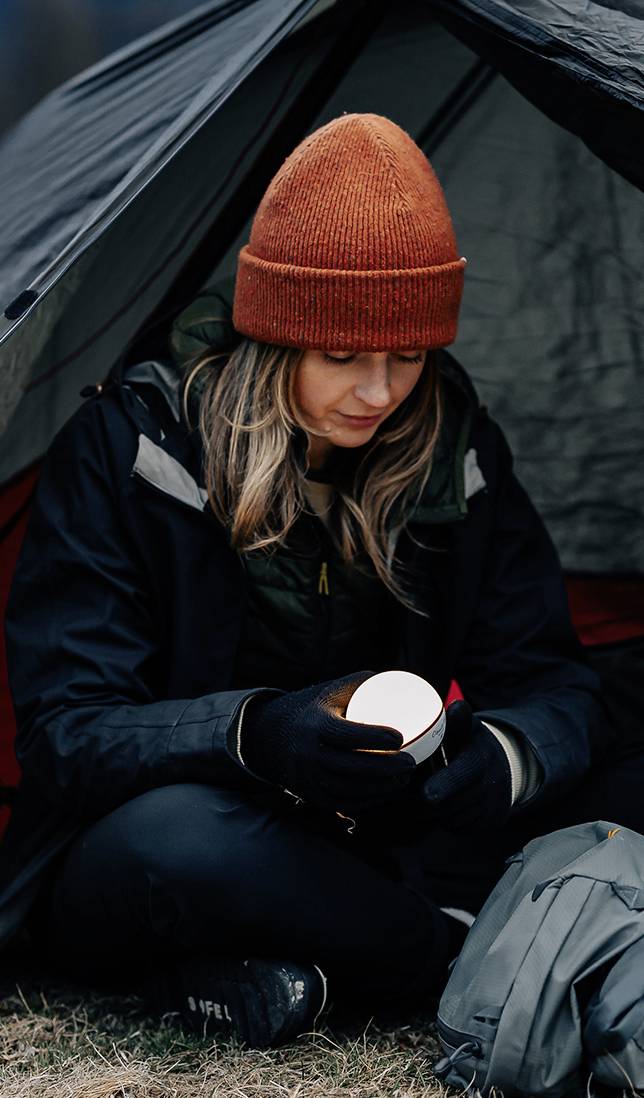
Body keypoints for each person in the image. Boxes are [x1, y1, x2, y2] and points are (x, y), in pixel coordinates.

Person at [0, 113, 635, 1049]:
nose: (380, 394)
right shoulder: (133, 448)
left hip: (381, 834)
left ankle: (302, 979)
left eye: (408, 356)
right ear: (277, 337)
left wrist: (501, 757)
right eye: (343, 356)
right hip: (189, 833)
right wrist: (255, 734)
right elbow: (68, 734)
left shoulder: (451, 449)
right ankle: (459, 966)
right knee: (179, 843)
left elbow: (551, 676)